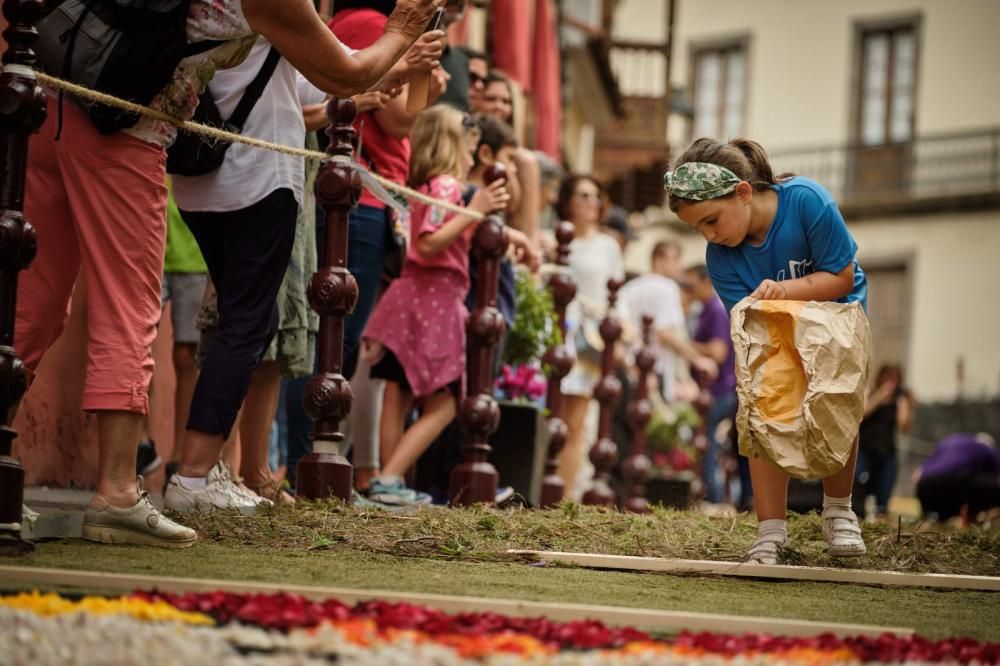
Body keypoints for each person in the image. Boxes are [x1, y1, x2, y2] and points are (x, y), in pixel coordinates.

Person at [19, 0, 446, 548]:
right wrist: (402, 31)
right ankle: (121, 490)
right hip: (126, 130)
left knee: (34, 296)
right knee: (135, 308)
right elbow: (345, 74)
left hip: (48, 100)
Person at [665, 137, 869, 564]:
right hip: (771, 329)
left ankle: (838, 512)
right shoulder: (720, 257)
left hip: (836, 318)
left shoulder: (808, 201)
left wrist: (784, 291)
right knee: (762, 403)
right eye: (698, 228)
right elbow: (750, 321)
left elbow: (841, 278)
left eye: (711, 220)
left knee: (836, 398)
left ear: (742, 192)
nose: (708, 235)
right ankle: (770, 531)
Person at [360, 105, 509, 506]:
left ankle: (387, 482)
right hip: (435, 302)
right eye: (469, 145)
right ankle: (390, 478)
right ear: (453, 144)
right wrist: (476, 211)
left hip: (412, 299)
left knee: (399, 392)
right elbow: (429, 242)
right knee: (444, 405)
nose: (473, 155)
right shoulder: (446, 186)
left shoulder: (427, 186)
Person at [557, 175, 625, 499]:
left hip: (589, 338)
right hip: (556, 330)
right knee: (551, 414)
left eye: (596, 196)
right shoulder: (553, 237)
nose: (591, 203)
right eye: (583, 196)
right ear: (568, 200)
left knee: (576, 419)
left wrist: (621, 338)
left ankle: (565, 495)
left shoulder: (608, 246)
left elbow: (617, 298)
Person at [618, 243, 717, 403]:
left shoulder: (631, 287)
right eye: (676, 259)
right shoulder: (668, 287)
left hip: (629, 366)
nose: (681, 265)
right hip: (655, 369)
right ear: (658, 260)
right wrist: (697, 359)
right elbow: (665, 333)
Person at [159, 183, 209, 489]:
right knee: (131, 341)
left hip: (192, 248)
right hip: (145, 237)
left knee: (187, 356)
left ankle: (178, 456)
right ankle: (139, 445)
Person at [685, 263, 737, 505]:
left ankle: (712, 501)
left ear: (707, 282)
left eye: (692, 283)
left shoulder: (715, 309)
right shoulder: (706, 309)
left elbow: (717, 352)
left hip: (718, 393)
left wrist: (686, 345)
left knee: (708, 450)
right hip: (718, 392)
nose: (689, 288)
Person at [856, 364, 913, 518]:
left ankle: (881, 514)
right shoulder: (871, 393)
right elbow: (861, 415)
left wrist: (904, 405)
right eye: (887, 377)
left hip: (887, 451)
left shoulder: (900, 399)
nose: (890, 382)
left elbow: (904, 425)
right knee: (859, 485)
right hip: (865, 449)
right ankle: (858, 514)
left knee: (884, 490)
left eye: (894, 378)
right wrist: (879, 397)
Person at [915, 433, 1000, 522]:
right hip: (953, 481)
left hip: (924, 486)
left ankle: (936, 518)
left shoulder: (948, 442)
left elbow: (916, 475)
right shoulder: (985, 447)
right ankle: (971, 519)